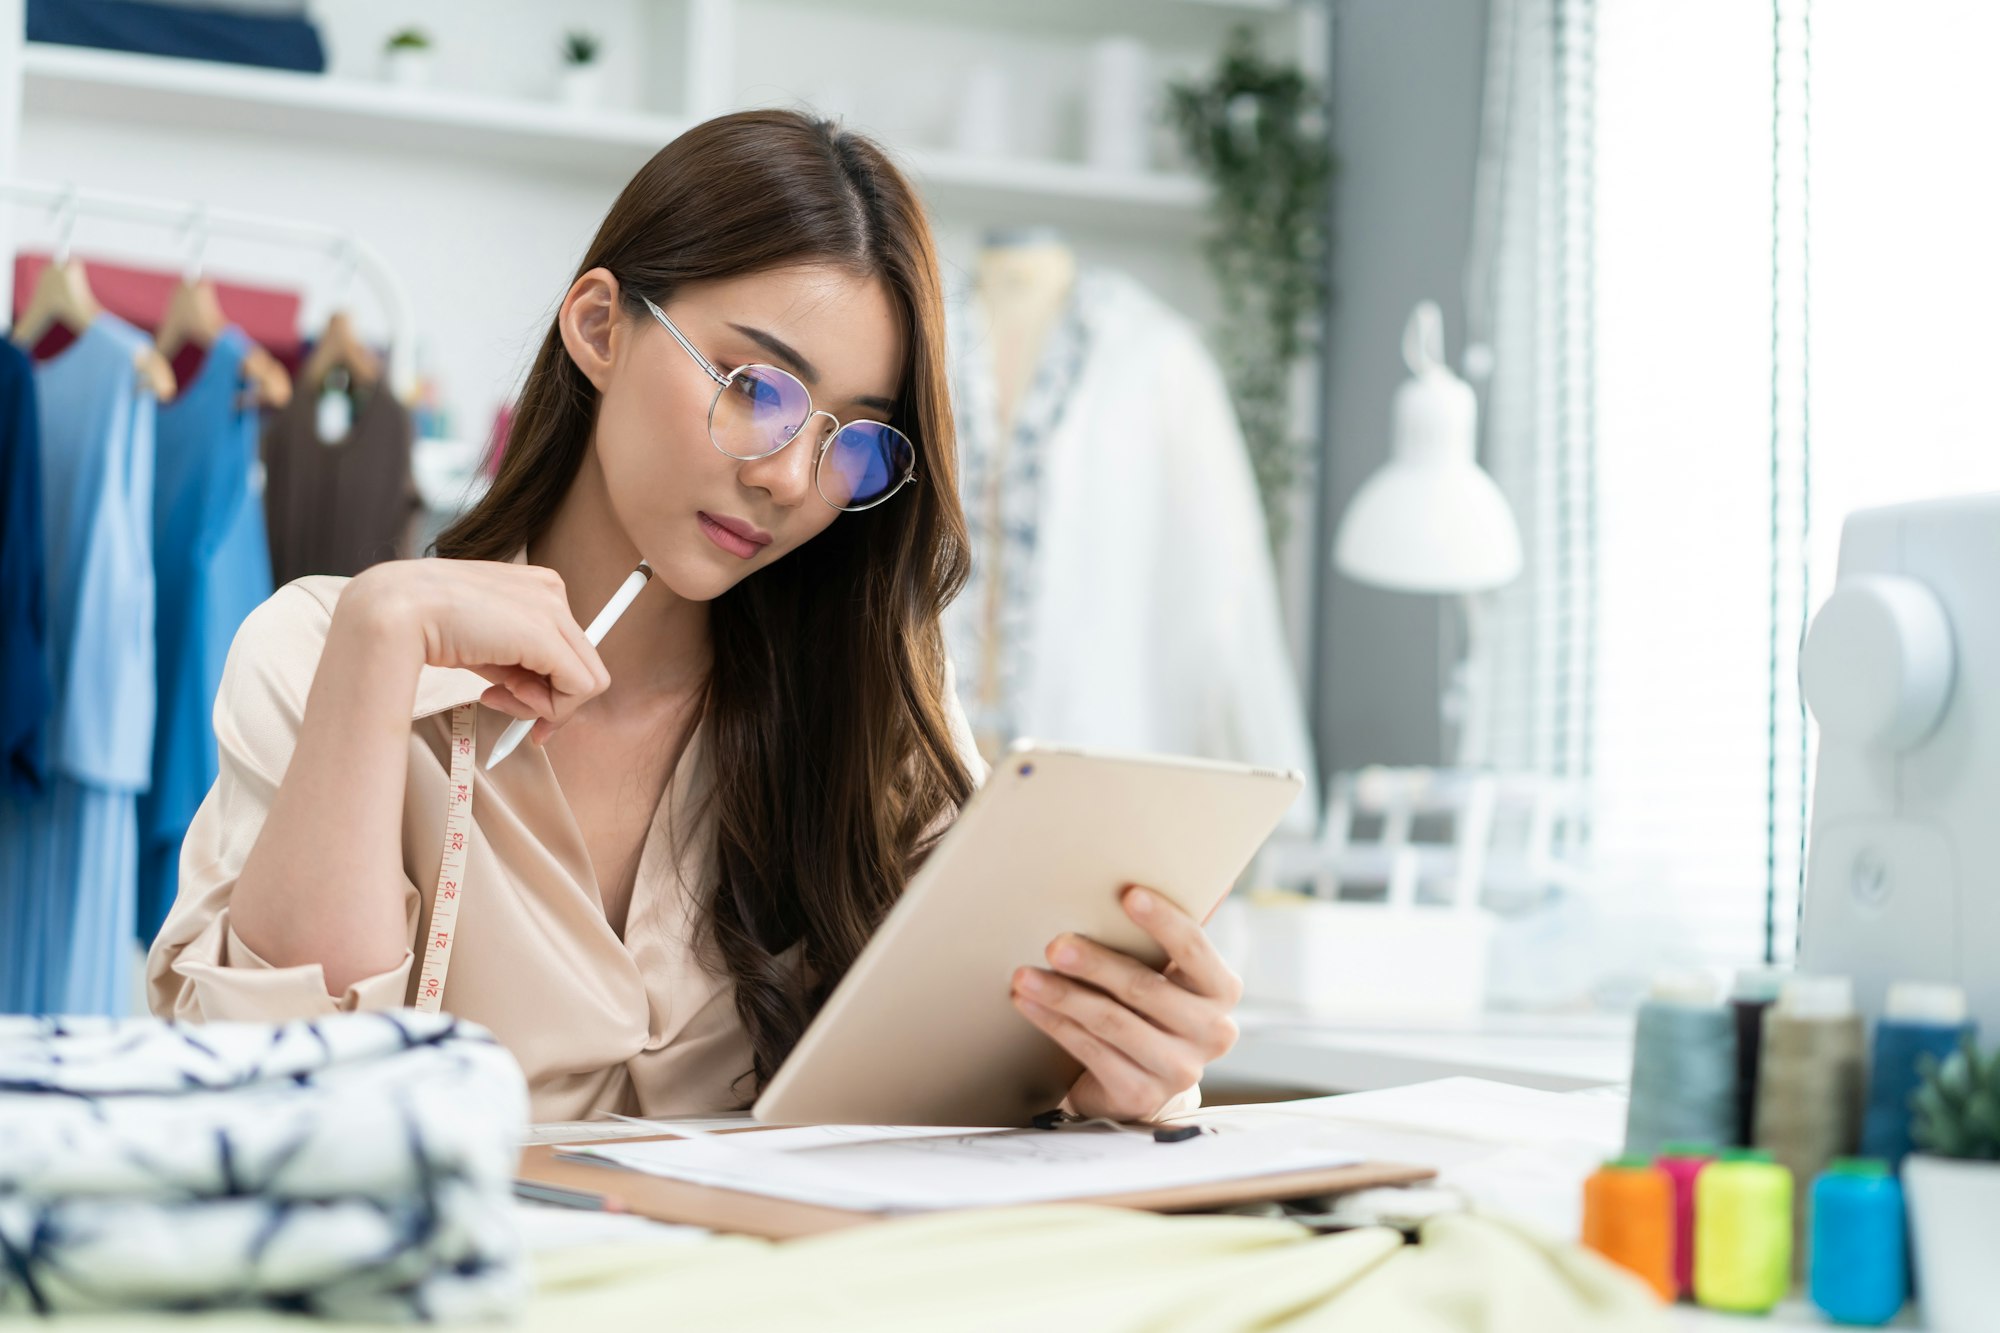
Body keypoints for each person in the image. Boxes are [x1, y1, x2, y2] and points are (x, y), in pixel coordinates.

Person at [148, 109, 1242, 1124]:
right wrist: (379, 648)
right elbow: (272, 1101)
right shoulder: (328, 648)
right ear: (597, 327)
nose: (790, 480)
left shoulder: (878, 710)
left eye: (852, 442)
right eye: (758, 390)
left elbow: (956, 1114)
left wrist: (1115, 1079)